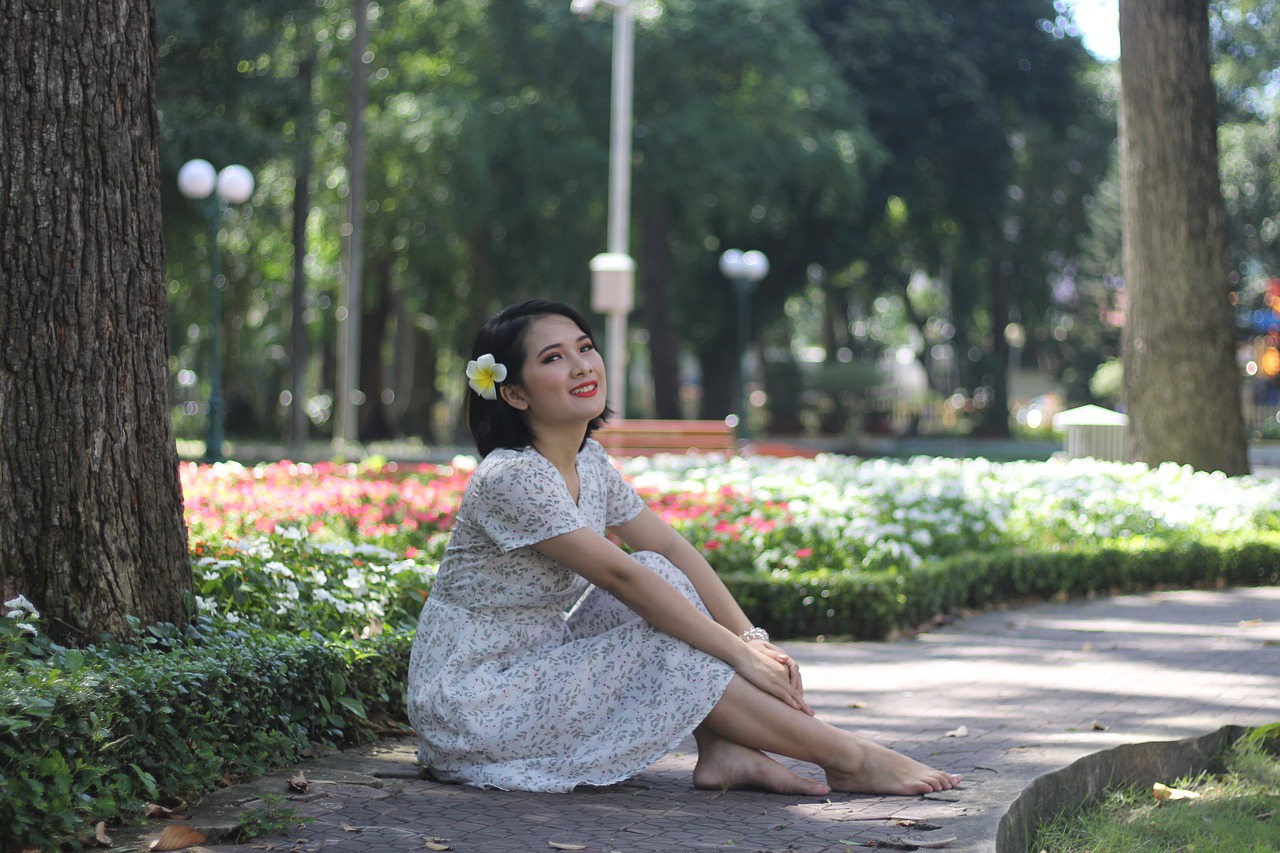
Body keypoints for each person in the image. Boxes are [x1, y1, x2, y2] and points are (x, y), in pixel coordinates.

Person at [406, 299, 961, 796]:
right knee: (661, 631)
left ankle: (723, 750)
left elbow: (667, 547)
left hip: (539, 663)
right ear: (514, 392)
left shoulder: (588, 462)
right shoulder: (512, 475)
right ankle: (848, 756)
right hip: (477, 699)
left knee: (662, 570)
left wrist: (753, 639)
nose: (581, 365)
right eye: (553, 358)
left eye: (585, 347)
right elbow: (621, 581)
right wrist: (737, 654)